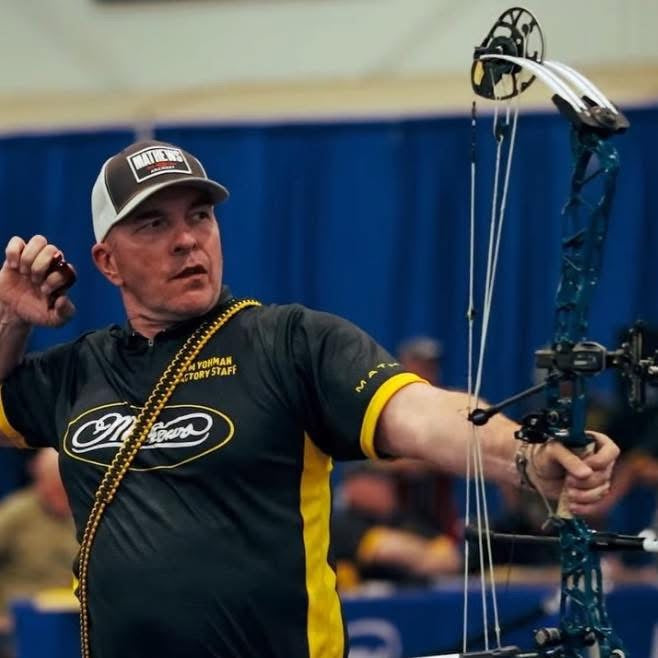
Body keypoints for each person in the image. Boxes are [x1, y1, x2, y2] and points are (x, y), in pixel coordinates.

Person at [0, 140, 619, 658]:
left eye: (200, 216)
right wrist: (11, 320)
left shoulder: (290, 342)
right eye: (154, 224)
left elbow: (421, 413)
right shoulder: (77, 371)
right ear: (107, 262)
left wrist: (526, 455)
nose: (187, 239)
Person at [0, 448, 78, 657]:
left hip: (72, 618)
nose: (62, 496)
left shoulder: (82, 514)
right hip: (22, 621)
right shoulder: (15, 513)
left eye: (65, 488)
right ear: (41, 481)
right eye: (56, 487)